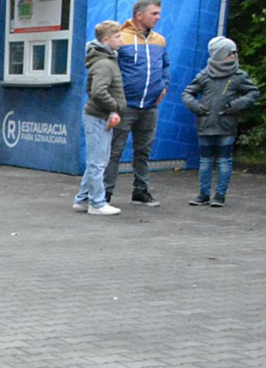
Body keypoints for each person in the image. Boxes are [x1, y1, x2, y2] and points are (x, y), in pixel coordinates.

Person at [182, 36, 260, 207]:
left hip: (227, 126)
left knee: (224, 161)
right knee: (205, 161)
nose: (234, 56)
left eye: (235, 52)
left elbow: (253, 93)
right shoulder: (204, 75)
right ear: (219, 54)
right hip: (205, 125)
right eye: (230, 53)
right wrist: (197, 107)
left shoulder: (239, 76)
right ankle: (203, 195)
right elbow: (187, 93)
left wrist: (234, 106)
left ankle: (220, 196)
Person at [104, 0, 169, 207]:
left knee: (143, 151)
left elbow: (165, 66)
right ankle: (104, 194)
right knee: (114, 151)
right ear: (139, 16)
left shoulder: (160, 40)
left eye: (158, 13)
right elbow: (109, 70)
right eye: (154, 13)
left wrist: (164, 86)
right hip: (125, 106)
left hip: (150, 106)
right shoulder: (121, 38)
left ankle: (140, 191)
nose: (158, 17)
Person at [73, 21, 127, 216]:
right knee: (97, 162)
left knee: (97, 161)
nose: (122, 40)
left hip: (100, 116)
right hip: (98, 117)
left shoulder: (106, 60)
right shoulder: (105, 63)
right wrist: (116, 107)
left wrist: (112, 110)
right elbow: (98, 92)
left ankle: (82, 199)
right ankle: (96, 203)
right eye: (118, 37)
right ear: (106, 40)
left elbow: (93, 90)